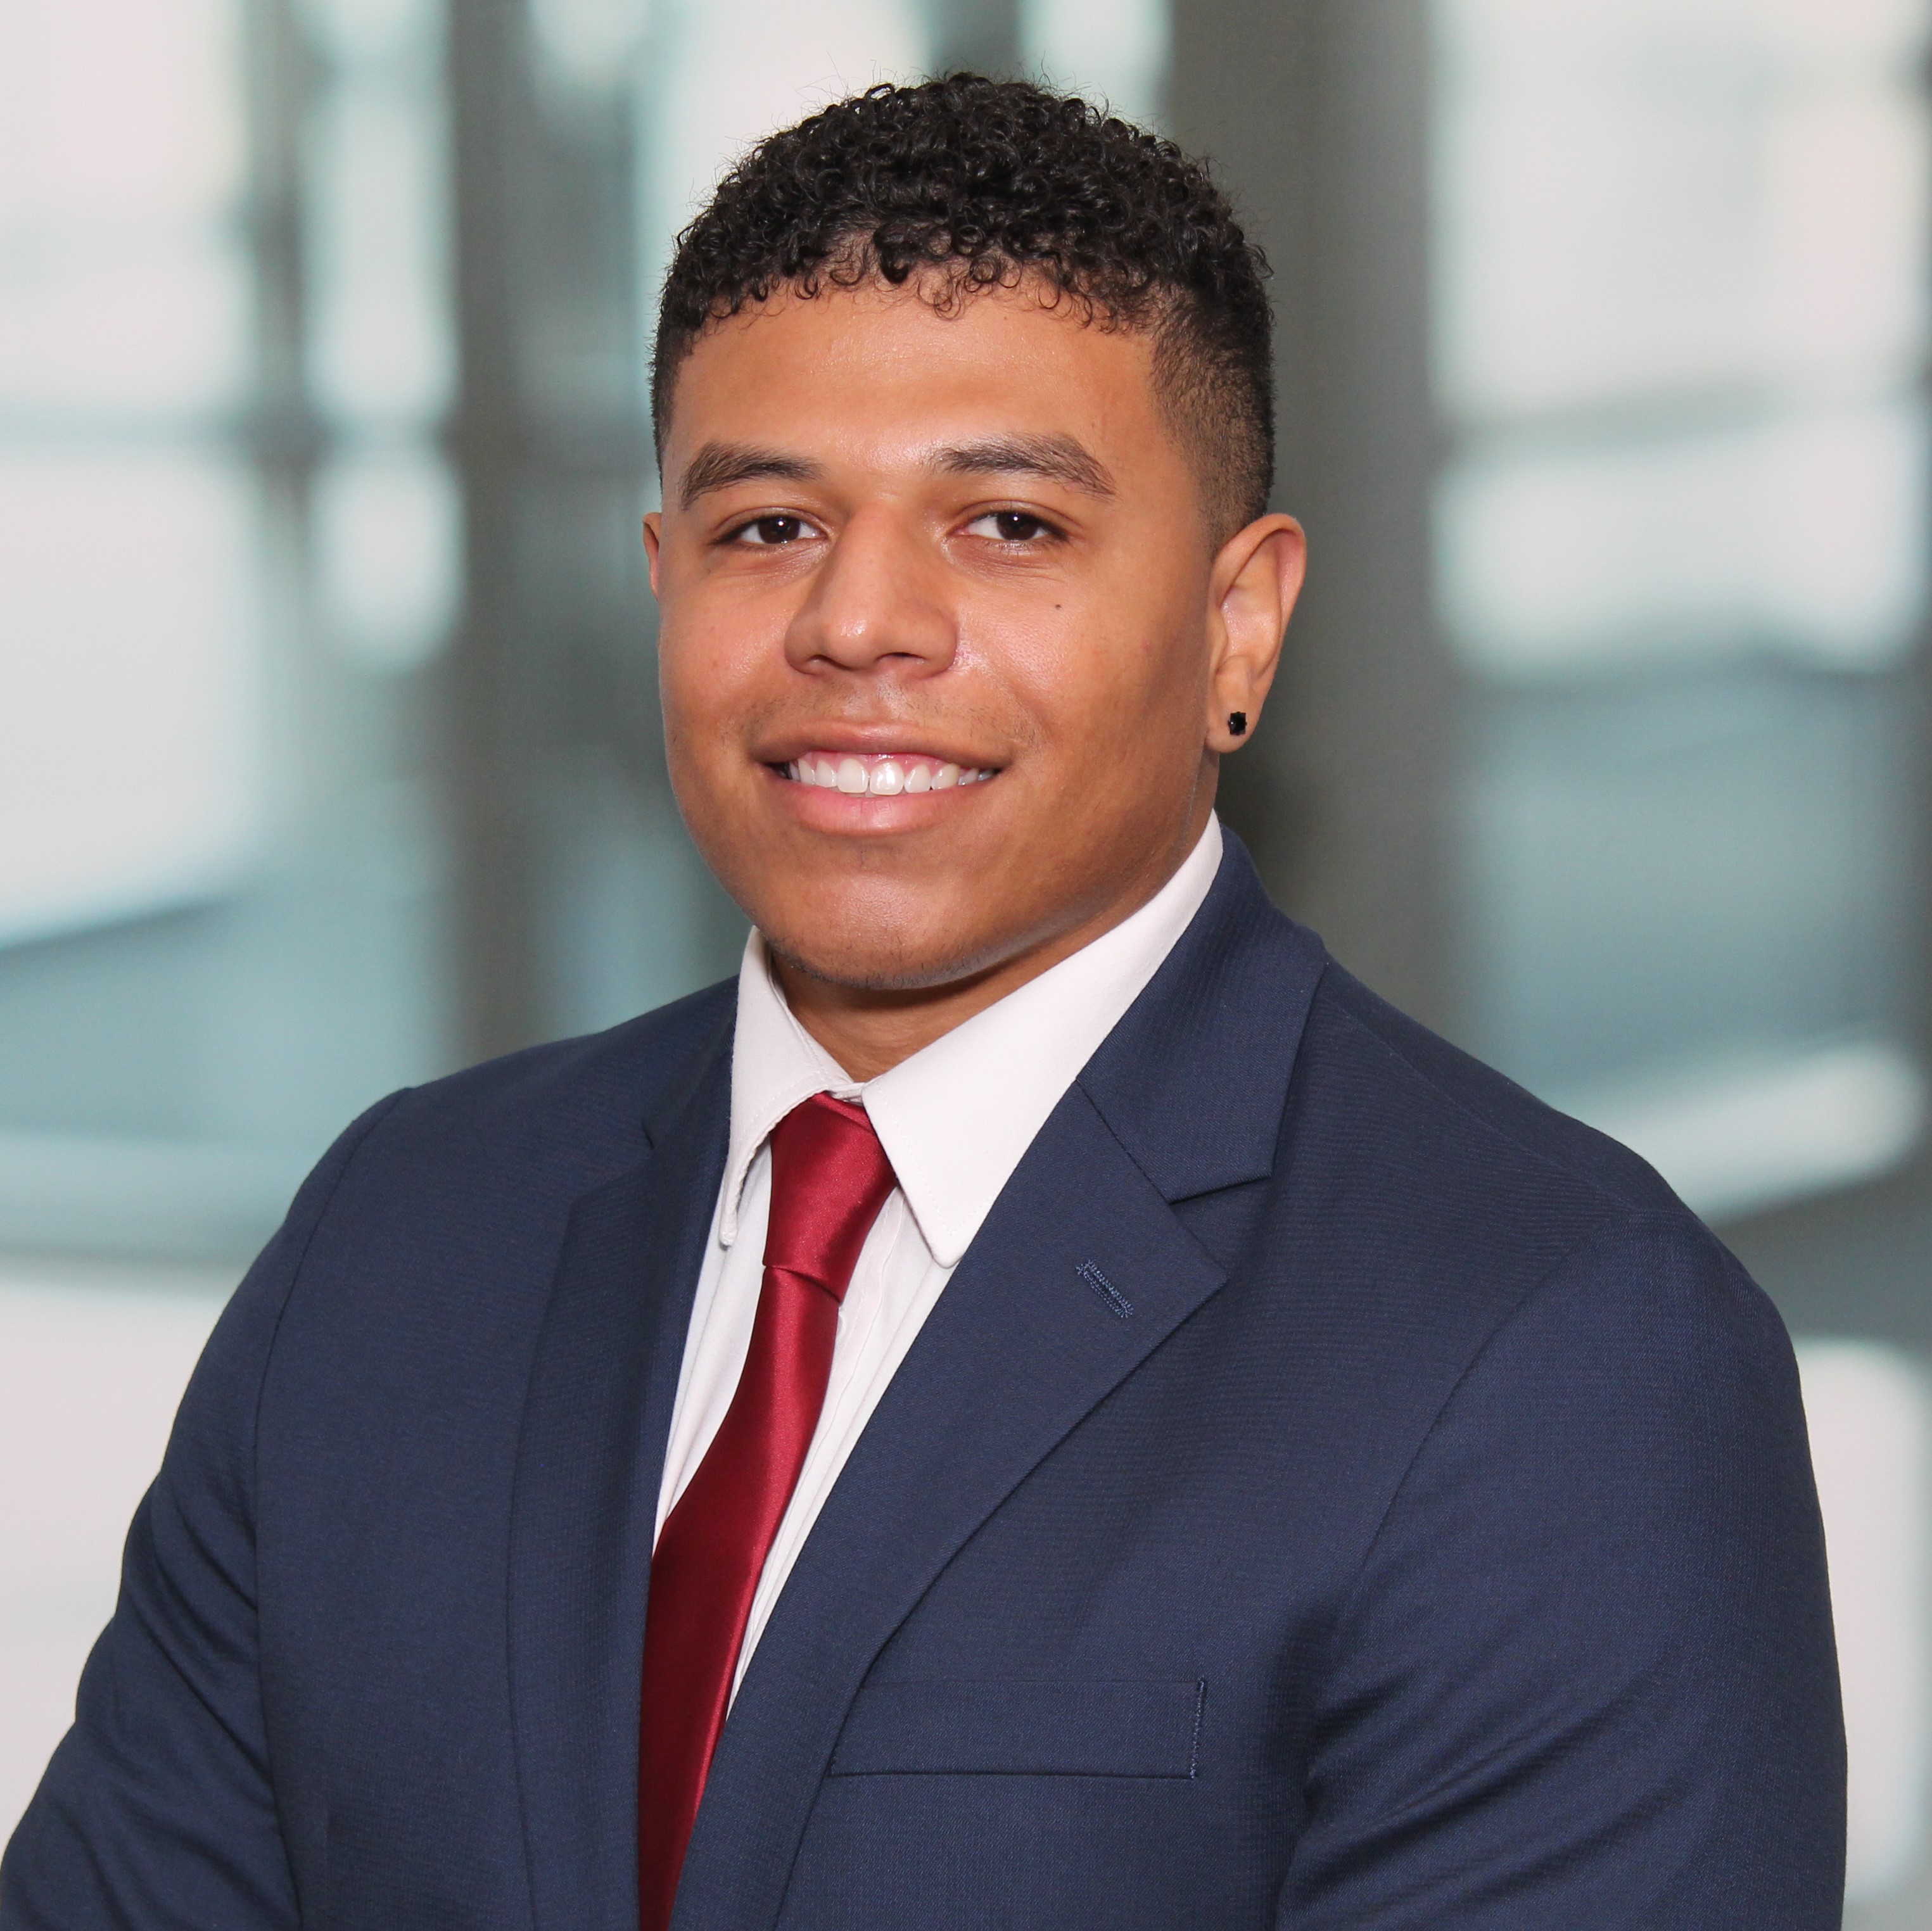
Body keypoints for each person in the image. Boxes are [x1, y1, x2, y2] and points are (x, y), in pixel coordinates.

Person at [2, 76, 1842, 1931]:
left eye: (1009, 525)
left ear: (1238, 625)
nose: (858, 623)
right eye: (766, 527)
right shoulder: (400, 1232)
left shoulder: (1559, 1348)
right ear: (661, 583)